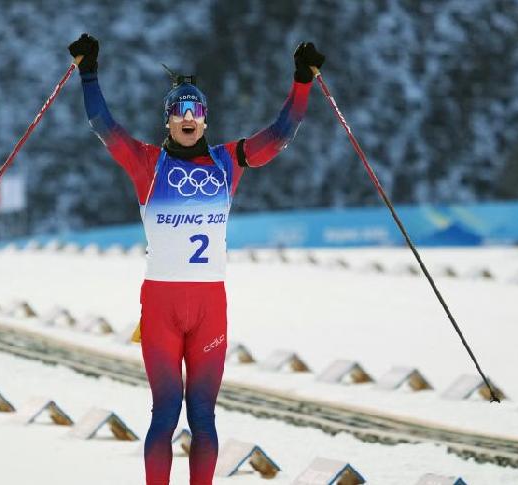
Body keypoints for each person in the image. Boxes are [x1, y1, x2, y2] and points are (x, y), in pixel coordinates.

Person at [68, 33, 324, 485]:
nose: (188, 118)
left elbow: (280, 135)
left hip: (210, 308)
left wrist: (301, 81)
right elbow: (102, 124)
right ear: (167, 120)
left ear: (206, 120)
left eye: (196, 111)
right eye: (179, 111)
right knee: (165, 413)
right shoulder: (147, 164)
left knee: (203, 416)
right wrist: (88, 72)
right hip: (163, 307)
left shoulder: (230, 162)